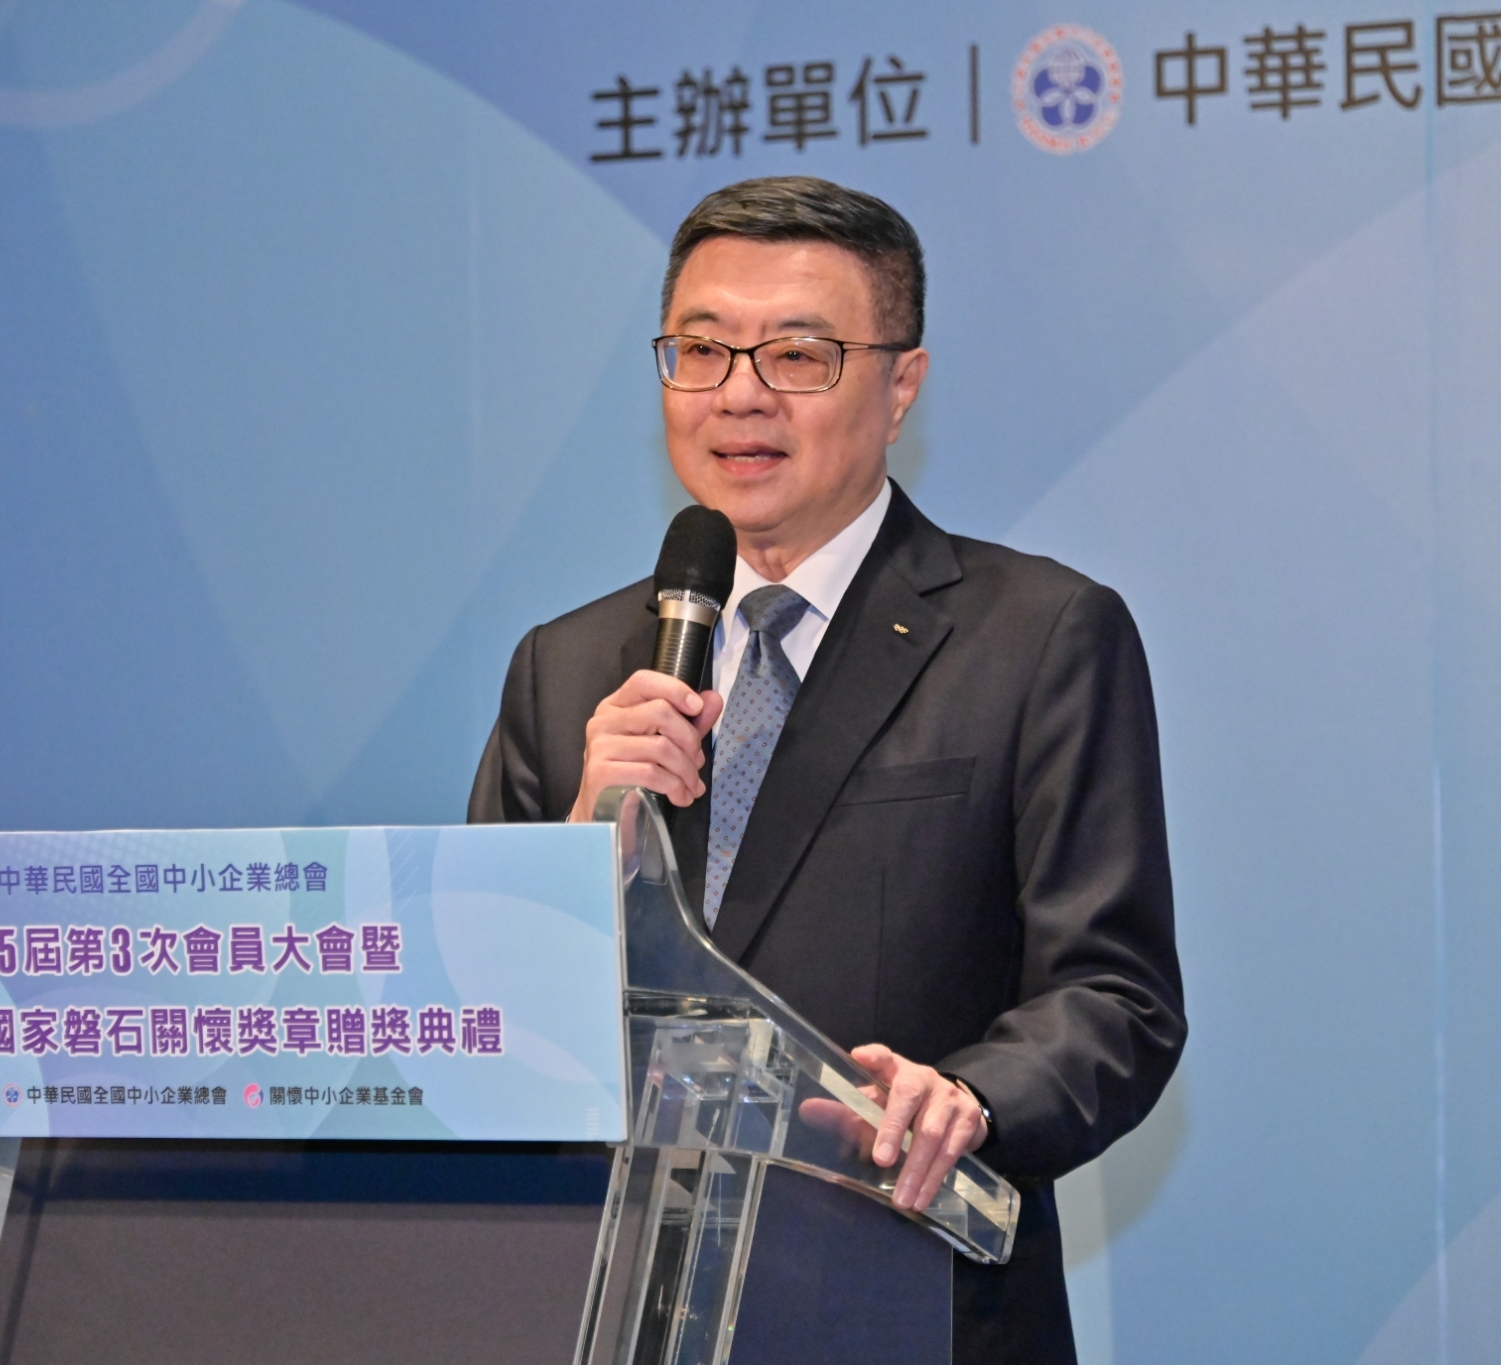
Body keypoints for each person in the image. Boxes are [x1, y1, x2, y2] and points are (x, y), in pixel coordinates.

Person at [469, 175, 1184, 1364]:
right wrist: (580, 854)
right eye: (701, 351)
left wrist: (970, 1098)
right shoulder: (569, 665)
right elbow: (477, 1018)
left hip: (905, 1298)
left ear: (900, 385)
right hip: (612, 1309)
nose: (738, 394)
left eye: (797, 355)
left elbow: (1114, 1000)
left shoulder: (1035, 637)